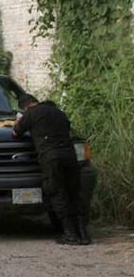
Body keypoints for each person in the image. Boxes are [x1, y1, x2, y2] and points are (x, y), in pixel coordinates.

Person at [12, 94, 89, 245]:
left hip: (51, 158)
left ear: (25, 107)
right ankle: (84, 235)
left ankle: (70, 234)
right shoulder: (58, 112)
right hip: (70, 156)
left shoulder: (30, 113)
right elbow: (67, 128)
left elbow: (15, 133)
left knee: (57, 193)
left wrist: (18, 121)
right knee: (74, 194)